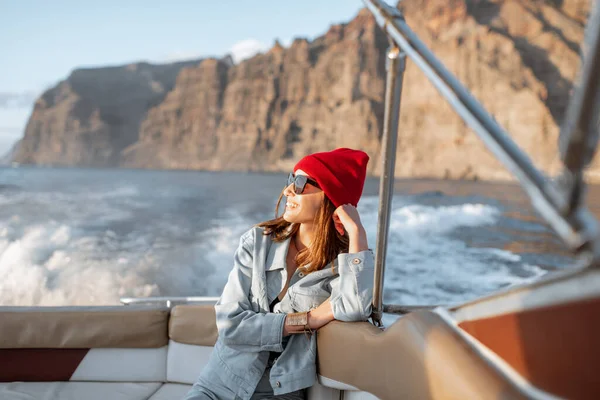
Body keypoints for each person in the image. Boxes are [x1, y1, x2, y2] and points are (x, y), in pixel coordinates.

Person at [184, 148, 375, 400]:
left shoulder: (342, 266)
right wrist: (308, 319)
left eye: (300, 183)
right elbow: (230, 325)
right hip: (218, 387)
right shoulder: (256, 242)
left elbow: (355, 308)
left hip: (279, 393)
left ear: (330, 196)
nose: (287, 191)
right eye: (290, 179)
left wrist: (357, 233)